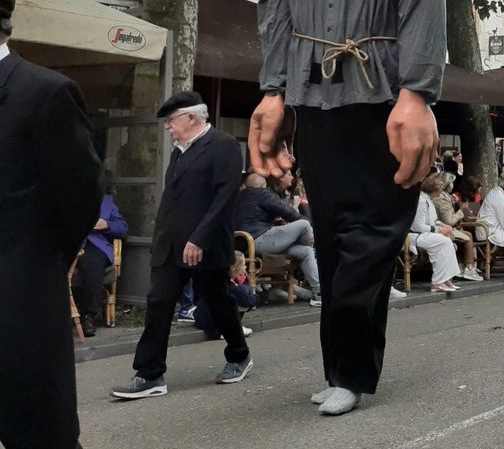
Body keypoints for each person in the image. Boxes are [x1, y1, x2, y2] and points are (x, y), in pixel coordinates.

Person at [249, 0, 445, 417]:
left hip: (384, 90)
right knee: (331, 233)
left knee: (373, 234)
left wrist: (418, 91)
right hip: (314, 91)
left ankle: (352, 371)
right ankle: (345, 369)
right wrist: (274, 90)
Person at [0, 0, 103, 449]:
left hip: (20, 296)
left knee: (38, 430)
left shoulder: (45, 92)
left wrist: (36, 260)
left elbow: (79, 193)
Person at [112, 91, 253, 400]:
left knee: (218, 302)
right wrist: (160, 238)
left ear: (191, 118)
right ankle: (150, 374)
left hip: (206, 245)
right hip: (171, 246)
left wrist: (199, 238)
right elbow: (172, 201)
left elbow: (224, 198)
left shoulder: (224, 146)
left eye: (171, 120)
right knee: (158, 303)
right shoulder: (179, 152)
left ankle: (239, 354)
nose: (168, 127)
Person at [234, 173, 323, 307]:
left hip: (244, 242)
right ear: (263, 185)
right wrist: (310, 226)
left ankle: (319, 293)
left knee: (305, 251)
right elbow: (287, 212)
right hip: (260, 238)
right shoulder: (262, 193)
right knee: (304, 225)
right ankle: (306, 267)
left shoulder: (239, 197)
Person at [71, 177, 129, 337]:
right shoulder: (68, 198)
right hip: (71, 244)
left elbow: (123, 228)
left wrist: (107, 225)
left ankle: (88, 316)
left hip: (95, 246)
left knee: (91, 263)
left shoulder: (107, 202)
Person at [425, 173, 482, 281]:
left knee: (462, 233)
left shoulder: (443, 197)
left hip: (440, 226)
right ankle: (470, 268)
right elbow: (449, 221)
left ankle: (460, 266)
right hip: (441, 228)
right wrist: (461, 211)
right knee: (468, 236)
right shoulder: (442, 199)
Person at [409, 190, 461, 293]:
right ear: (434, 190)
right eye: (440, 189)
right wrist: (439, 229)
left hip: (424, 234)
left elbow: (433, 220)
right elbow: (418, 226)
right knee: (443, 242)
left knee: (447, 240)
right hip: (414, 235)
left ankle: (445, 278)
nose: (442, 192)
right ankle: (437, 282)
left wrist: (444, 226)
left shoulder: (429, 200)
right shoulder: (421, 201)